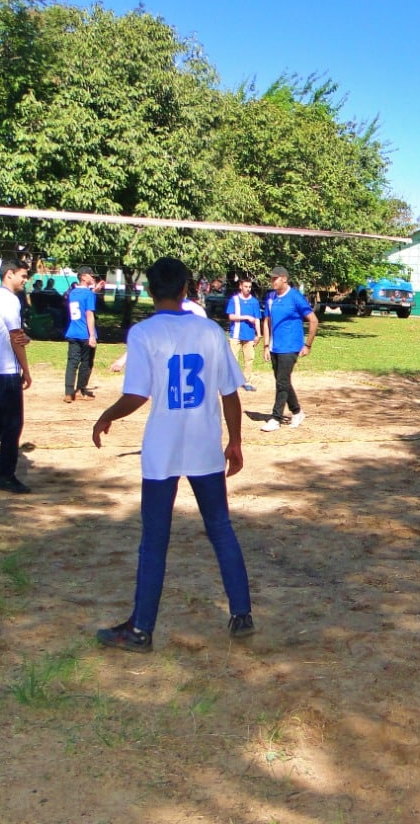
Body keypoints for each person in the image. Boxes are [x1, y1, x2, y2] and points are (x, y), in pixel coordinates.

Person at [92, 256, 253, 653]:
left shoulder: (143, 333)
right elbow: (229, 393)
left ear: (149, 290)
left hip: (162, 450)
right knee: (220, 528)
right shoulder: (210, 331)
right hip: (203, 446)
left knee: (154, 539)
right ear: (187, 290)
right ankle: (242, 613)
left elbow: (137, 395)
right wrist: (235, 441)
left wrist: (106, 415)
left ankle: (141, 629)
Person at [0, 259, 32, 493]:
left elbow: (13, 334)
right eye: (23, 275)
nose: (25, 280)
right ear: (9, 274)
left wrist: (23, 338)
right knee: (12, 424)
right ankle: (6, 476)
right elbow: (14, 337)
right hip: (5, 369)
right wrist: (26, 370)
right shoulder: (10, 300)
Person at [260, 265, 318, 432]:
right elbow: (267, 321)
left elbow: (313, 321)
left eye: (274, 278)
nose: (272, 281)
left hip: (290, 346)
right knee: (282, 381)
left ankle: (276, 418)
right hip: (274, 347)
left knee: (282, 382)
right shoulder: (270, 297)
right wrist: (266, 345)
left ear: (284, 279)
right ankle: (297, 411)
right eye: (271, 278)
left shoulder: (295, 297)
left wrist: (308, 345)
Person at [63, 266, 100, 403]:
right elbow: (89, 314)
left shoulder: (73, 293)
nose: (93, 278)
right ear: (84, 277)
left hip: (73, 332)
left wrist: (94, 290)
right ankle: (80, 390)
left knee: (72, 363)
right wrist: (92, 336)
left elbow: (81, 302)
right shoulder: (89, 295)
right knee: (87, 363)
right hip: (85, 334)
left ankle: (68, 392)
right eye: (91, 276)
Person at [227, 276, 262, 392]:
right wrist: (246, 317)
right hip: (235, 335)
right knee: (233, 359)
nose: (248, 289)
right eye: (246, 286)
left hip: (249, 335)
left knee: (249, 359)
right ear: (240, 286)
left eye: (250, 287)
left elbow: (257, 318)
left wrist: (259, 334)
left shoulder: (254, 302)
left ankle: (246, 381)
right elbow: (231, 316)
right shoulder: (234, 300)